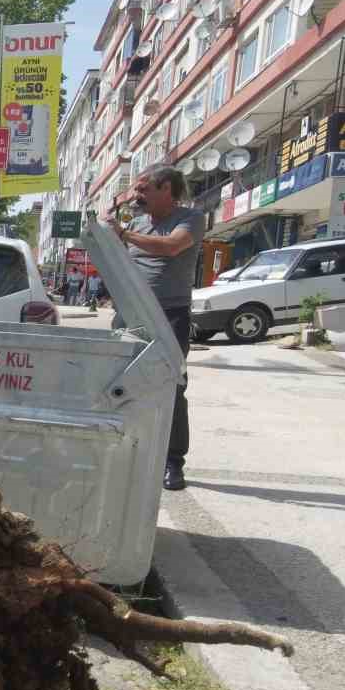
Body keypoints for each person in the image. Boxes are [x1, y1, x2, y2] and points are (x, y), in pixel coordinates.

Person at [103, 165, 205, 492]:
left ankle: (173, 462)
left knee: (172, 385)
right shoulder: (138, 222)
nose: (137, 196)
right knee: (117, 382)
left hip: (169, 314)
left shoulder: (190, 219)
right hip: (131, 313)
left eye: (144, 189)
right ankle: (123, 449)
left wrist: (123, 234)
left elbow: (171, 247)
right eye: (137, 190)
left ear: (167, 190)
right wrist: (106, 235)